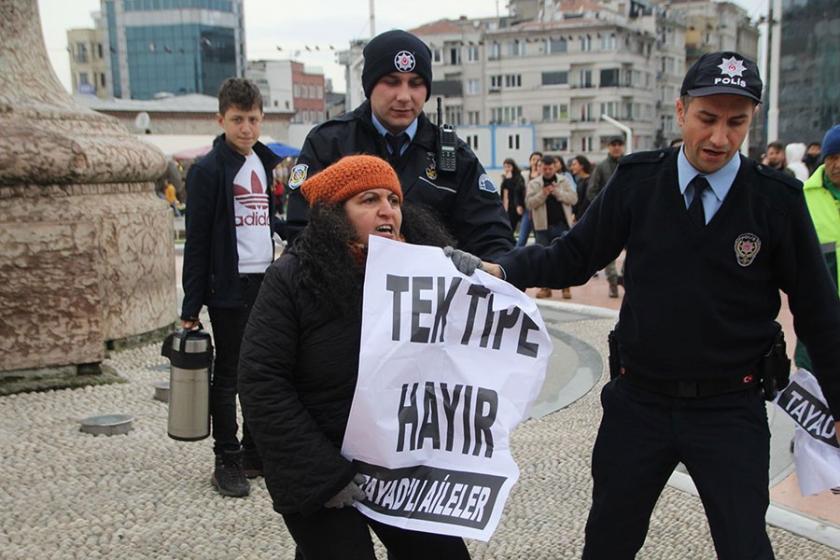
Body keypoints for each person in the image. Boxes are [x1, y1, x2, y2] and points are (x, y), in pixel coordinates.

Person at [454, 51, 840, 559]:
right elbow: (573, 256)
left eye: (736, 122)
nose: (719, 138)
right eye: (707, 119)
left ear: (751, 121)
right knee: (609, 543)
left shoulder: (775, 200)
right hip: (639, 405)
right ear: (681, 112)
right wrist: (503, 271)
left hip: (730, 408)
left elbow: (818, 310)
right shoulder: (638, 182)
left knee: (745, 546)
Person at [238, 155, 471, 560]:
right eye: (368, 200)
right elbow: (262, 380)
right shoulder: (290, 278)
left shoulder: (425, 273)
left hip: (397, 463)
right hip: (320, 466)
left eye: (394, 200)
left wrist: (469, 280)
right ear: (334, 215)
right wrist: (324, 477)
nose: (388, 210)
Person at [285, 29, 512, 260]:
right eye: (392, 82)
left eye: (415, 83)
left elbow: (493, 239)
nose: (404, 96)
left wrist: (481, 266)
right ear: (370, 86)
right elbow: (300, 230)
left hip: (433, 292)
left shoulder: (456, 156)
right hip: (345, 291)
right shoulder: (329, 144)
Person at [180, 77, 281, 498]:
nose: (246, 128)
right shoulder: (206, 170)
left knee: (265, 370)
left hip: (266, 279)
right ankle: (228, 457)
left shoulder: (264, 161)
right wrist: (191, 306)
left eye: (253, 119)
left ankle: (258, 451)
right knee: (231, 374)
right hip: (229, 285)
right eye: (237, 120)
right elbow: (197, 241)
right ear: (221, 119)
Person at [794, 124, 840, 370]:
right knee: (812, 383)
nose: (838, 165)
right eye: (833, 157)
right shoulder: (804, 197)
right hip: (818, 309)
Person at [526, 154, 576, 299]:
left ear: (555, 167)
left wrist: (556, 192)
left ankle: (566, 287)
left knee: (563, 257)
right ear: (540, 167)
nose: (547, 171)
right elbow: (529, 203)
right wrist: (543, 194)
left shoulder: (564, 181)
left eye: (550, 168)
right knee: (543, 258)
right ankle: (545, 287)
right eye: (544, 168)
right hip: (542, 227)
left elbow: (573, 199)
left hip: (561, 225)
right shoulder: (534, 184)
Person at [587, 135, 626, 298]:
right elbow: (591, 191)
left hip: (630, 214)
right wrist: (603, 206)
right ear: (608, 147)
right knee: (609, 252)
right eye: (613, 144)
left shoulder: (630, 164)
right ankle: (613, 282)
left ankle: (624, 277)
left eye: (619, 144)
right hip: (609, 216)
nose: (616, 147)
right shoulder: (601, 167)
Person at [516, 151, 542, 247]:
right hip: (527, 210)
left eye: (538, 160)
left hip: (540, 211)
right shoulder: (524, 175)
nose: (535, 162)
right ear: (530, 161)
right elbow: (518, 191)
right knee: (522, 239)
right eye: (533, 159)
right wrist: (518, 205)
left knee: (540, 239)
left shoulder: (544, 175)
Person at [500, 158, 525, 231]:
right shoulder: (505, 178)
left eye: (508, 166)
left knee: (511, 228)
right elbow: (503, 193)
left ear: (513, 167)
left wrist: (509, 180)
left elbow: (516, 191)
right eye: (505, 167)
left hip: (515, 207)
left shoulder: (518, 177)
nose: (507, 169)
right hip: (506, 207)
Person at [569, 155, 593, 221]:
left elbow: (586, 202)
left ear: (582, 166)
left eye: (574, 165)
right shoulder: (579, 180)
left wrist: (577, 217)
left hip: (586, 217)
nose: (572, 167)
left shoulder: (589, 181)